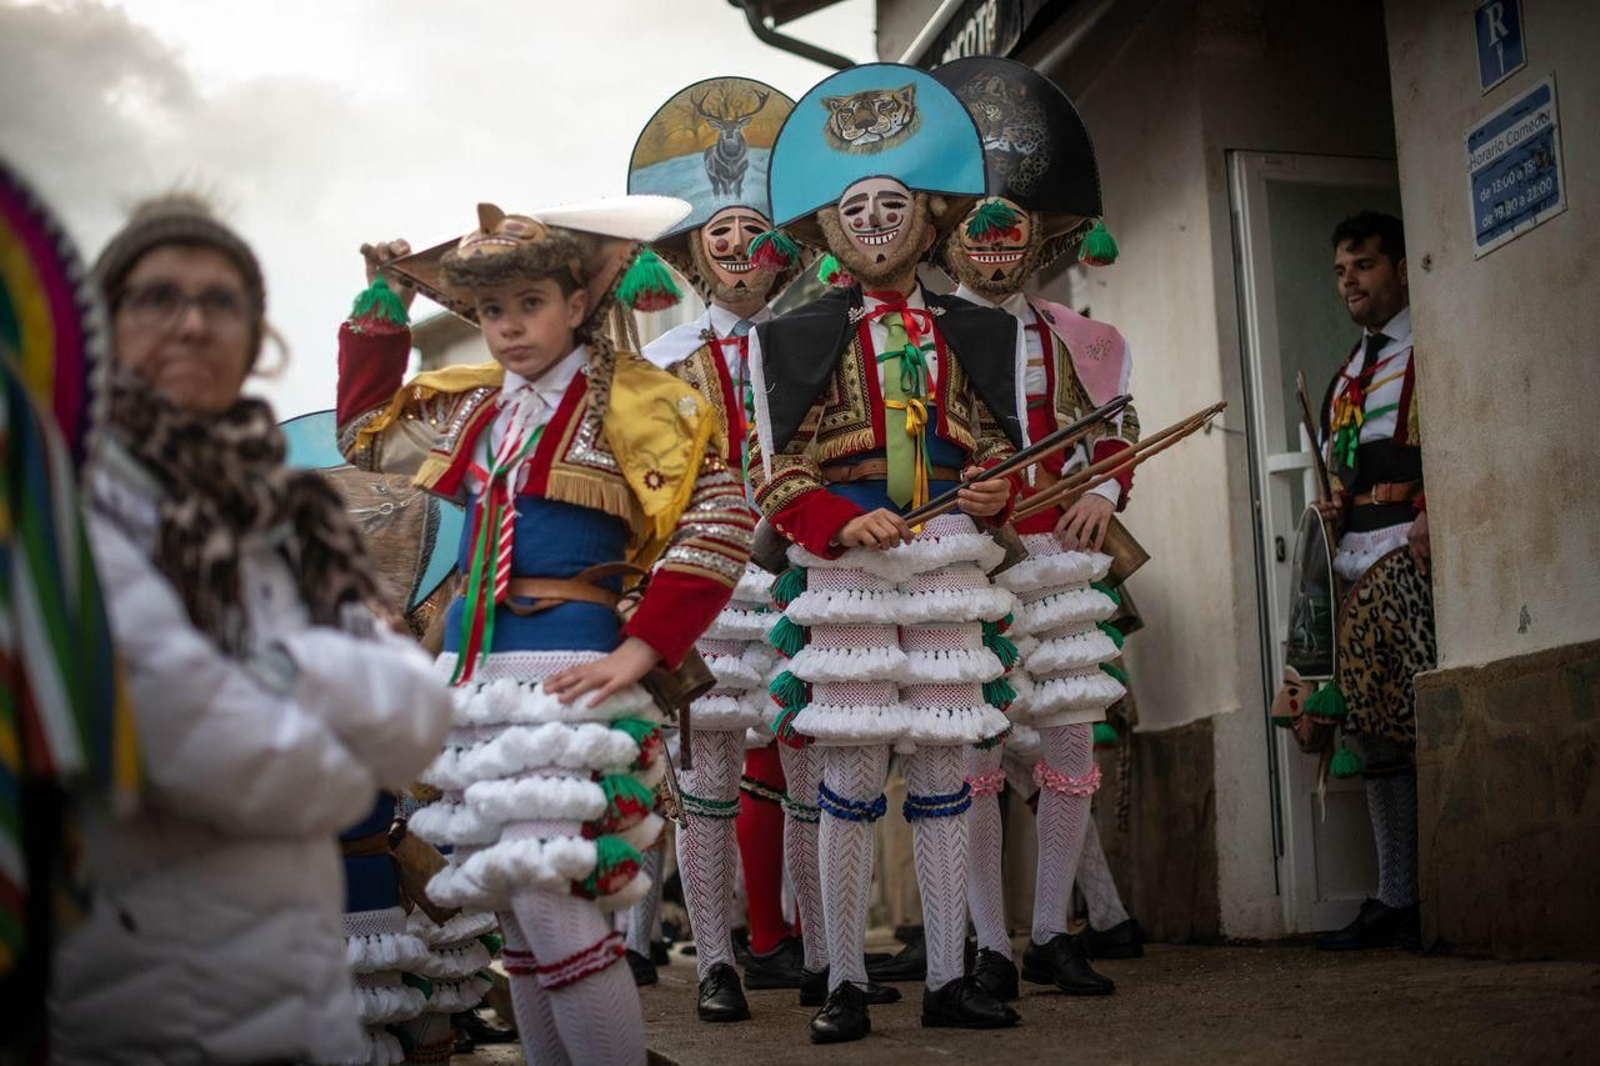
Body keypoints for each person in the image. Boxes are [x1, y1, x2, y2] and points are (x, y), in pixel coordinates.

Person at [335, 196, 753, 1065]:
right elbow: (363, 438)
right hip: (474, 676)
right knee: (516, 921)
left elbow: (721, 516)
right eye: (491, 310)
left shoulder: (646, 402)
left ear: (576, 302)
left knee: (558, 907)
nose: (509, 328)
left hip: (572, 664)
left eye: (529, 304)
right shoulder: (471, 409)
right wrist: (384, 313)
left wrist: (646, 647)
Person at [49, 194, 453, 1065]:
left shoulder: (295, 515)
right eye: (159, 298)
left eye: (220, 301)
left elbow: (414, 714)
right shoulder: (54, 501)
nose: (193, 324)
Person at [749, 62, 1025, 1044]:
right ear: (829, 228)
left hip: (947, 540)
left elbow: (1002, 449)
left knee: (949, 754)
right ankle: (846, 980)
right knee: (853, 768)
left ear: (928, 221)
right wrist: (830, 518)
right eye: (854, 205)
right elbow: (766, 467)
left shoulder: (979, 331)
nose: (871, 219)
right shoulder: (789, 337)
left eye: (892, 203)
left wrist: (995, 488)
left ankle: (949, 974)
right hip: (848, 558)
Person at [933, 55, 1132, 1000]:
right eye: (980, 234)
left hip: (1056, 560)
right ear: (951, 242)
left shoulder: (1073, 335)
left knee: (1067, 754)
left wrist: (1108, 494)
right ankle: (987, 944)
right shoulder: (917, 339)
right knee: (973, 757)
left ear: (1040, 242)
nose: (997, 251)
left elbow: (1116, 430)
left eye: (1013, 234)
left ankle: (1053, 929)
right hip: (968, 563)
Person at [622, 76, 811, 1020]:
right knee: (705, 776)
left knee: (819, 763)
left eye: (753, 233)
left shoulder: (819, 342)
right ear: (693, 253)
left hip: (813, 577)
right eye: (719, 234)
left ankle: (824, 954)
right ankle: (716, 964)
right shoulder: (657, 364)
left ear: (783, 252)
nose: (738, 249)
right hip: (706, 580)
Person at [1313, 211, 1433, 951]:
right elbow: (1341, 461)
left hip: (1410, 555)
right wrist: (1333, 498)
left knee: (1410, 721)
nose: (1349, 282)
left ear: (1397, 268)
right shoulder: (1350, 370)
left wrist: (1432, 513)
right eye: (1340, 271)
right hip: (1356, 557)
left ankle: (1427, 891)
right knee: (1373, 730)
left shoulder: (1433, 347)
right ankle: (1395, 897)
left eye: (1362, 265)